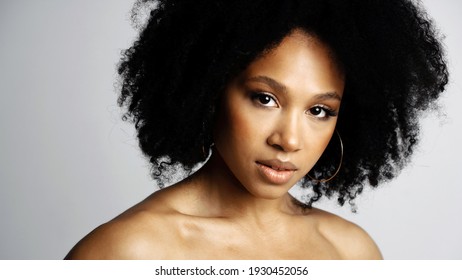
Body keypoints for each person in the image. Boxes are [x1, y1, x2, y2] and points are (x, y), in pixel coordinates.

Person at [65, 0, 448, 259]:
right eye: (265, 98)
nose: (290, 140)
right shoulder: (128, 251)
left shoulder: (351, 252)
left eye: (319, 110)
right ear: (208, 89)